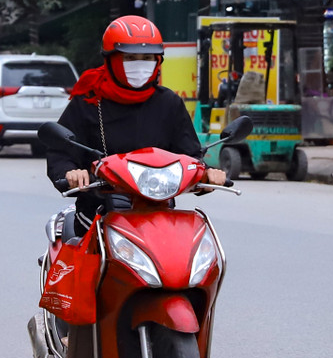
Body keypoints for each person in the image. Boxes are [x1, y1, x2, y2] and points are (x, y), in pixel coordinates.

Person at [46, 15, 226, 235]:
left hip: (159, 214)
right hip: (98, 214)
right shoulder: (89, 102)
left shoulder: (168, 103)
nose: (139, 65)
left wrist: (207, 175)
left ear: (158, 61)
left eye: (147, 57)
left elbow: (190, 156)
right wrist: (71, 173)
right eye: (130, 57)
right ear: (111, 59)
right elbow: (61, 152)